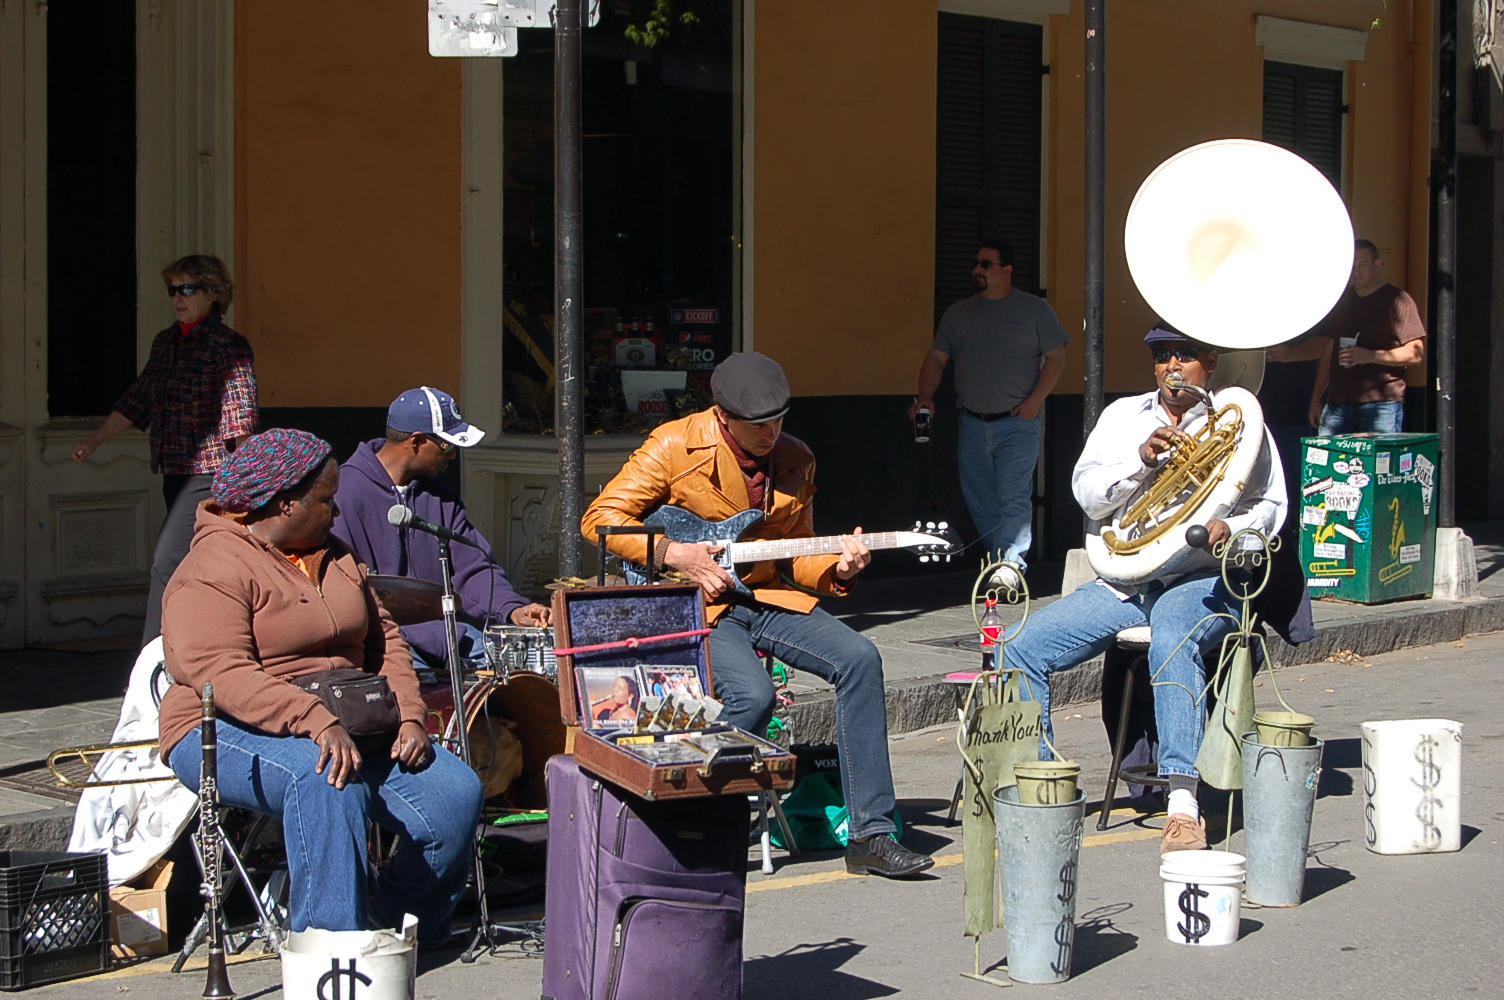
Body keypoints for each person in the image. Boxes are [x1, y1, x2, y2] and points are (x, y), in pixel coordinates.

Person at [584, 352, 934, 878]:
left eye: (778, 421)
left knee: (861, 658)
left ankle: (871, 834)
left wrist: (839, 568)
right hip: (696, 601)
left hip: (764, 596)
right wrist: (672, 554)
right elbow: (601, 519)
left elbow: (797, 553)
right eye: (758, 425)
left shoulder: (797, 457)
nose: (771, 433)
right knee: (753, 694)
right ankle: (676, 815)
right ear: (723, 416)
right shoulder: (674, 445)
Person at [158, 429, 482, 945]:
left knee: (455, 794)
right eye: (326, 500)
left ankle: (392, 932)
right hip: (223, 726)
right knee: (327, 782)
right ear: (285, 503)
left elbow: (386, 642)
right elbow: (220, 672)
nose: (336, 512)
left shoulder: (336, 556)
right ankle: (330, 952)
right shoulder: (211, 568)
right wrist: (314, 720)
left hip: (346, 717)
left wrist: (410, 715)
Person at [1001, 324, 1285, 853]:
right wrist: (1141, 462)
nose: (1171, 366)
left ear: (1210, 360)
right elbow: (1087, 495)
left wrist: (1236, 530)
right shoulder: (1122, 417)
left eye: (1183, 355)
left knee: (1173, 632)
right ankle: (1040, 789)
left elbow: (1270, 506)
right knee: (1020, 648)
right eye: (1160, 355)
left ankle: (1182, 803)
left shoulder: (1242, 423)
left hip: (1202, 578)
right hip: (1128, 579)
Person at [71, 255, 258, 644]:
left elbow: (240, 412)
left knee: (166, 561)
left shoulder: (228, 345)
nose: (178, 297)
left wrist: (247, 479)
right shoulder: (166, 343)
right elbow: (137, 399)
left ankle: (151, 657)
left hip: (211, 473)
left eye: (188, 288)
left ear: (212, 292)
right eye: (173, 289)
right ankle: (194, 648)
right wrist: (93, 441)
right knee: (194, 563)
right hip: (174, 471)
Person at [331, 387, 550, 675]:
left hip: (451, 638)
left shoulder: (439, 495)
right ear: (417, 441)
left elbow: (472, 566)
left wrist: (511, 609)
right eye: (447, 446)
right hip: (386, 646)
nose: (454, 455)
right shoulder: (344, 493)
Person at [910, 239, 1069, 588]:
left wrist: (1035, 402)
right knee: (979, 497)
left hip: (1017, 422)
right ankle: (1000, 558)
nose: (977, 270)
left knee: (1013, 495)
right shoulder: (959, 313)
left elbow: (1057, 356)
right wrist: (925, 396)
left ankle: (1010, 565)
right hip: (972, 421)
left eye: (986, 264)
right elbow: (937, 357)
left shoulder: (1035, 310)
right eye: (976, 264)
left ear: (1007, 270)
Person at [1308, 239, 1426, 436]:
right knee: (1329, 462)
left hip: (1381, 404)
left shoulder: (1397, 300)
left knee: (1378, 465)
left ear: (1377, 265)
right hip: (1338, 402)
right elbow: (1330, 349)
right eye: (1352, 265)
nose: (1356, 271)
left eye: (1362, 264)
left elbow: (1416, 354)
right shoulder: (1341, 300)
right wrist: (1316, 398)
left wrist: (1369, 356)